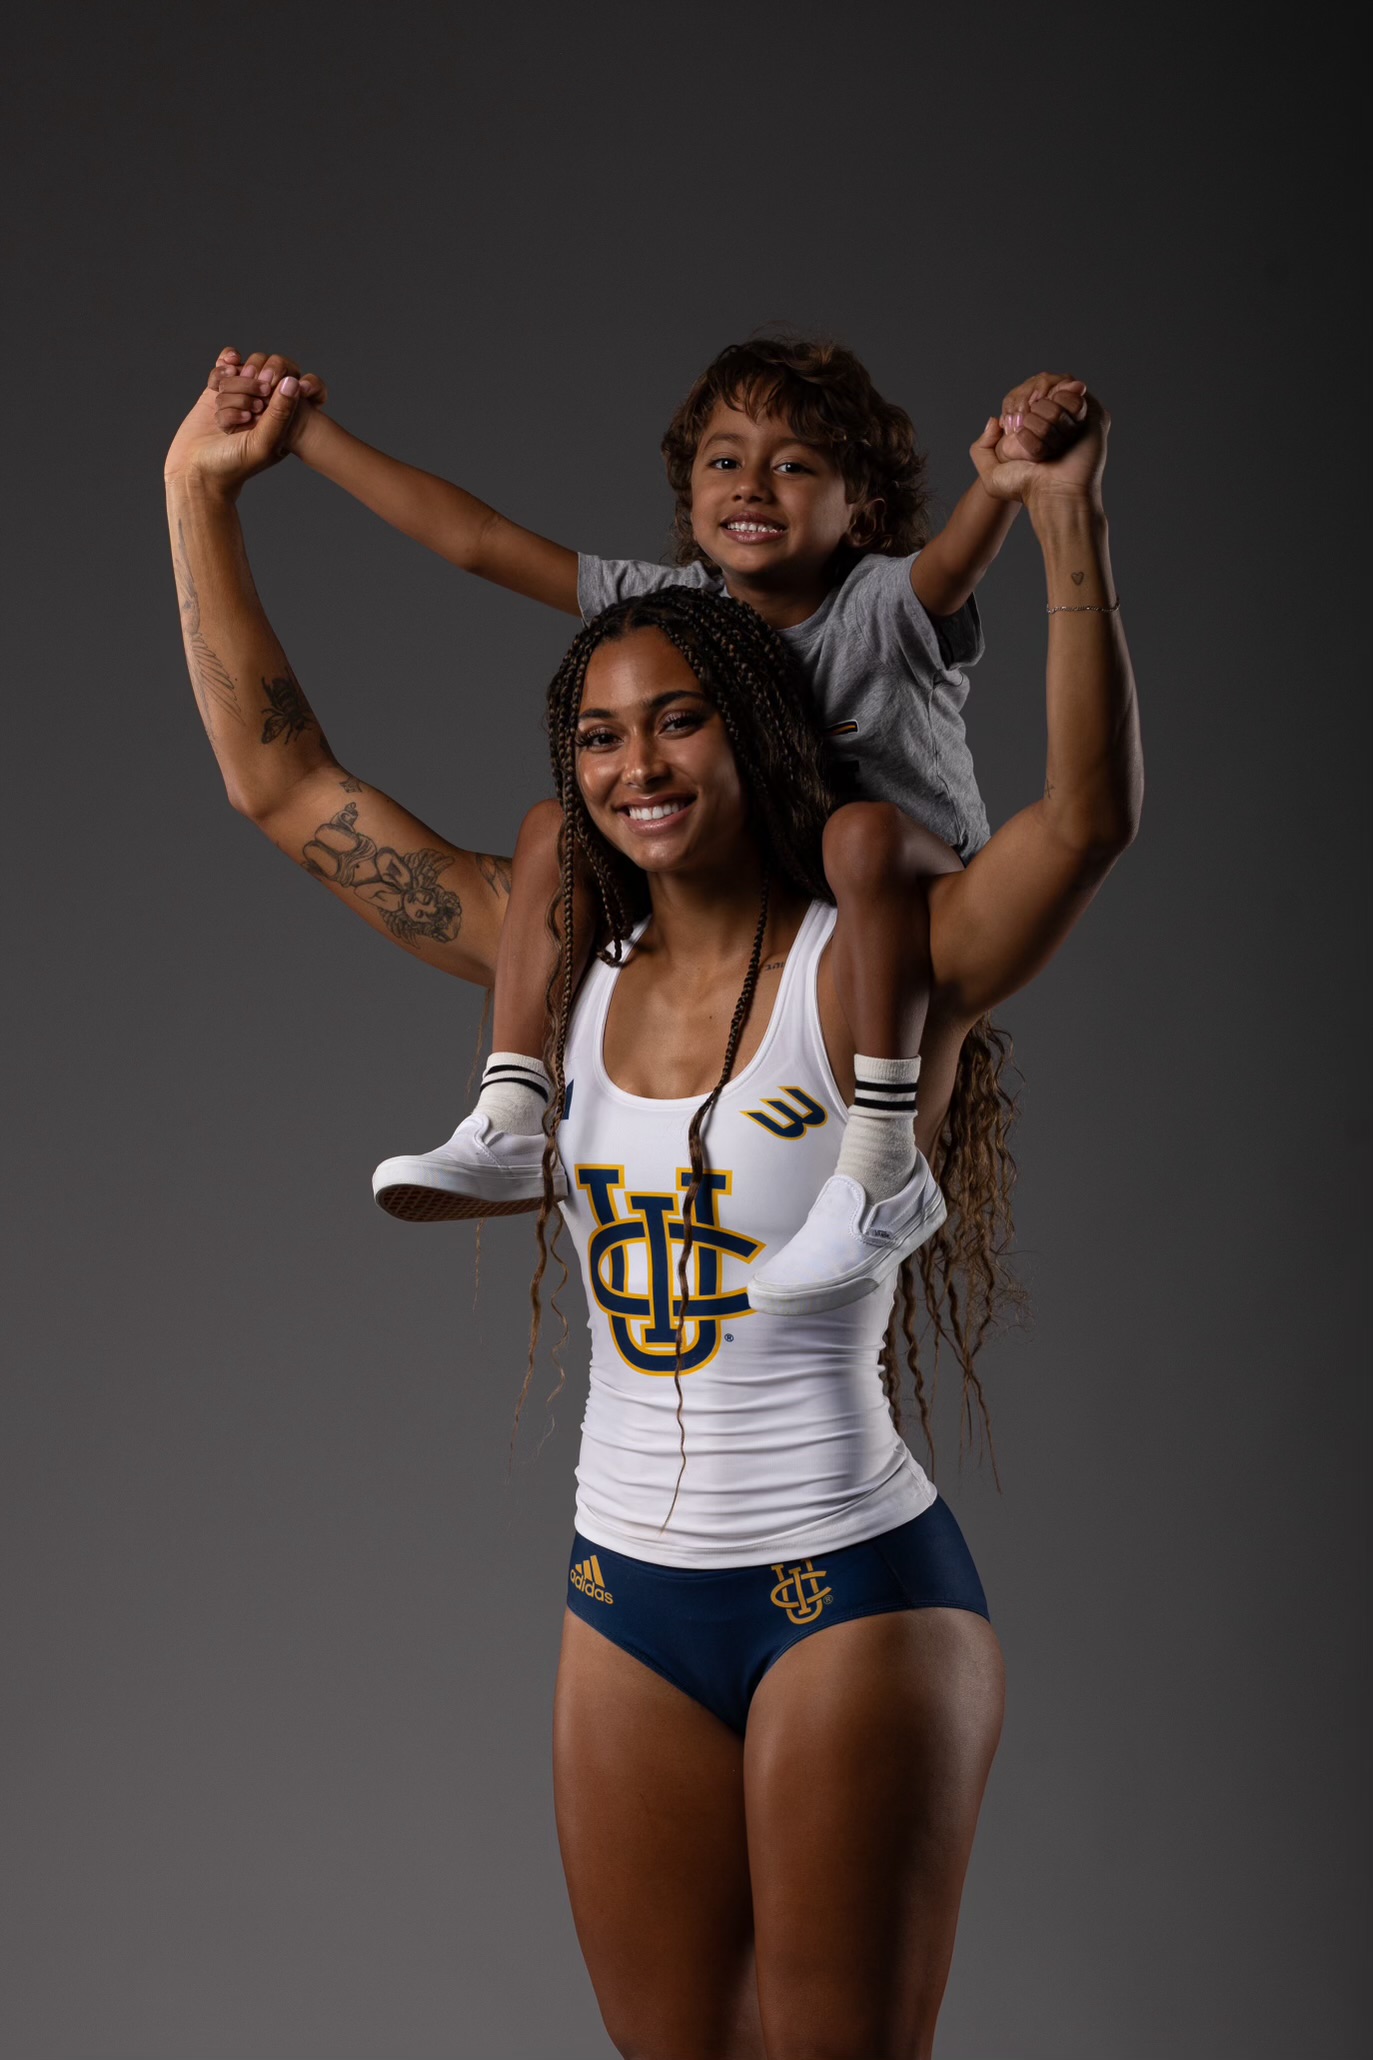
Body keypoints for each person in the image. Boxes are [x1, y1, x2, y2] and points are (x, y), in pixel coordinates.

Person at [164, 355, 1140, 2059]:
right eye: (599, 735)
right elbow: (284, 787)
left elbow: (1088, 822)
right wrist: (200, 498)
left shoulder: (882, 965)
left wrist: (1067, 526)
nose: (634, 766)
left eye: (677, 718)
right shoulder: (557, 978)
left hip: (849, 1589)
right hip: (623, 1602)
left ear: (754, 728)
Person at [211, 338, 1088, 1315]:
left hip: (895, 877)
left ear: (862, 510)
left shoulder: (881, 605)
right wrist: (308, 435)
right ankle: (512, 1110)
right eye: (724, 459)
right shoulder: (675, 612)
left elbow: (961, 564)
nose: (752, 483)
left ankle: (878, 1163)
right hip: (780, 874)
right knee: (554, 826)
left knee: (859, 838)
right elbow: (479, 540)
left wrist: (1016, 483)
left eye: (794, 464)